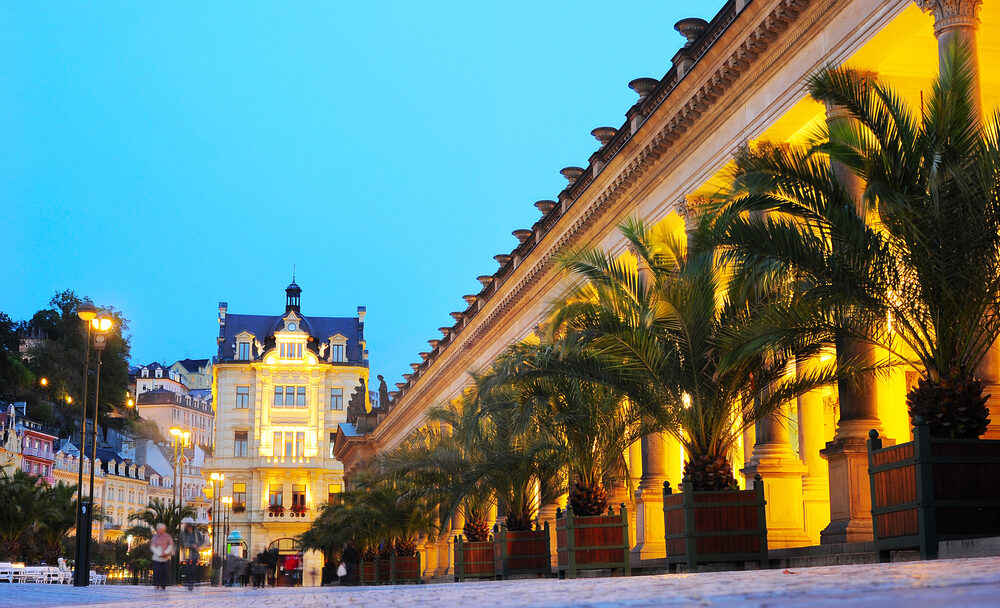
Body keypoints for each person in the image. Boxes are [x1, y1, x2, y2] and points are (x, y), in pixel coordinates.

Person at [179, 521, 205, 591]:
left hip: (194, 554)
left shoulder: (197, 533)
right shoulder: (184, 534)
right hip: (187, 554)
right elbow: (183, 543)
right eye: (188, 527)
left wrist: (197, 545)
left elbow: (201, 541)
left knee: (193, 569)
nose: (189, 528)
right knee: (188, 569)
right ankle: (189, 582)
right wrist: (191, 545)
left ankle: (191, 583)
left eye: (190, 527)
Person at [149, 523, 175, 590]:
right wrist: (160, 553)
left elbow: (170, 545)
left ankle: (163, 584)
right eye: (159, 529)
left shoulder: (168, 537)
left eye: (162, 530)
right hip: (157, 557)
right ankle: (157, 584)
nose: (160, 531)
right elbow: (153, 547)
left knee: (164, 571)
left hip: (165, 558)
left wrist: (165, 552)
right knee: (157, 571)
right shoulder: (155, 537)